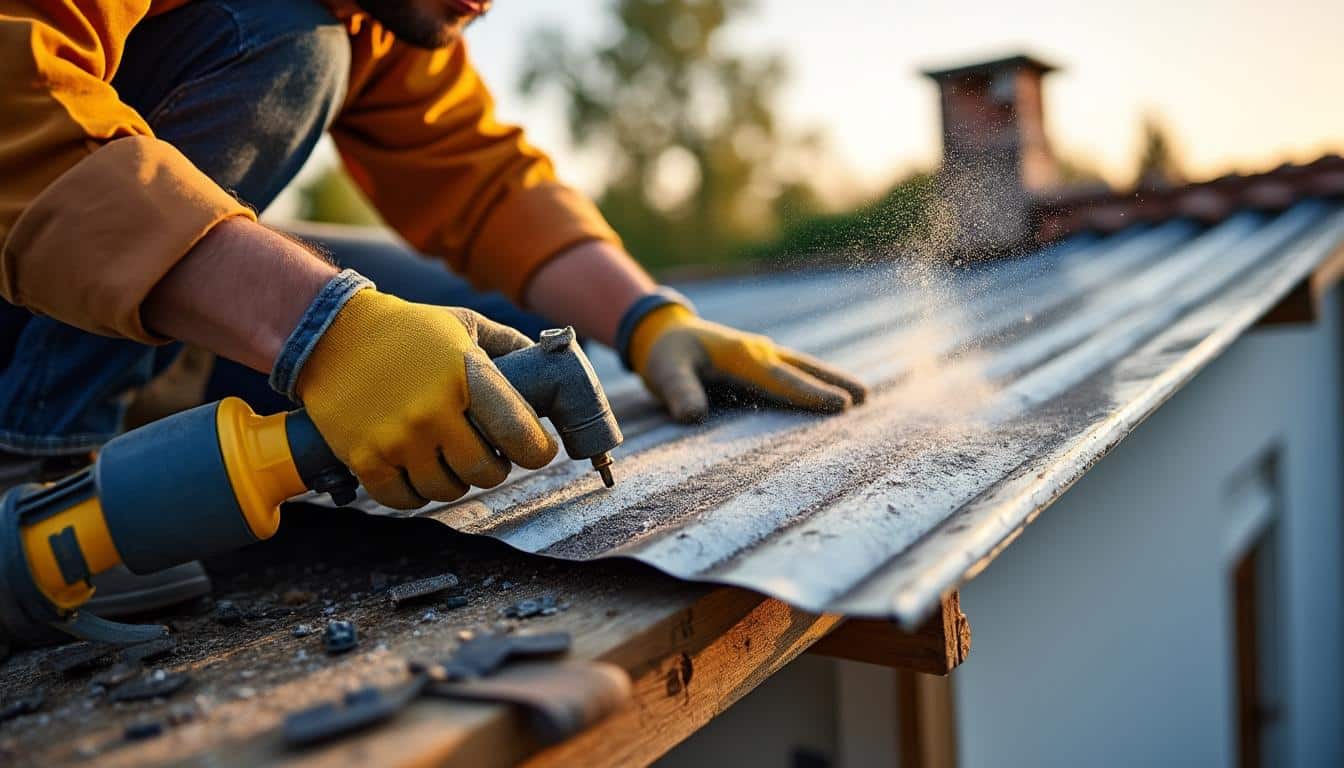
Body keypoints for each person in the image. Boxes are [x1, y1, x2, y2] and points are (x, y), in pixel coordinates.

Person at [0, 0, 868, 516]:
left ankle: (149, 387)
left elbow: (482, 179)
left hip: (96, 275)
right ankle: (39, 467)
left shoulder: (382, 16)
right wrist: (328, 330)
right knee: (287, 44)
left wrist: (650, 318)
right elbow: (15, 102)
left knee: (513, 339)